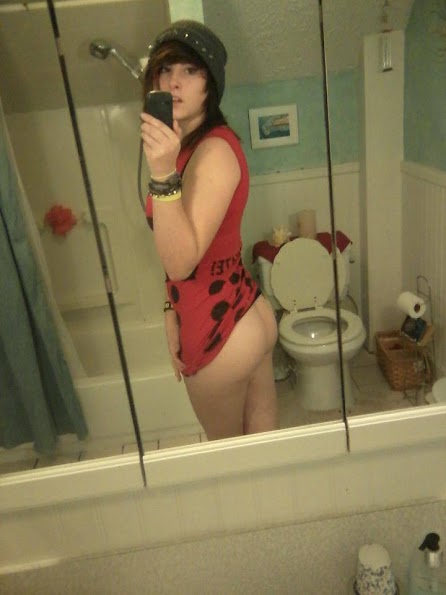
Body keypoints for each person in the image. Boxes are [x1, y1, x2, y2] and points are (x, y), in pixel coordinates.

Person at [140, 20, 278, 440]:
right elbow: (186, 242)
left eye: (190, 70)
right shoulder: (192, 147)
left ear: (210, 84)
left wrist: (161, 173)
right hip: (242, 313)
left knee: (231, 462)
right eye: (165, 70)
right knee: (264, 453)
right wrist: (170, 309)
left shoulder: (212, 150)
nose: (174, 82)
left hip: (220, 333)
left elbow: (181, 263)